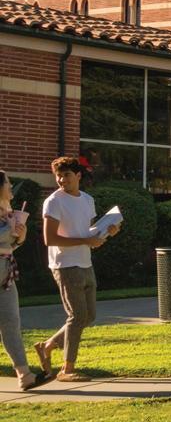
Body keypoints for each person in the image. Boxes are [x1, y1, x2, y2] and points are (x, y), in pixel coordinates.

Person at [35, 156, 120, 383]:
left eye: (67, 175)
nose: (62, 180)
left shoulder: (87, 200)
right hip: (65, 265)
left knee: (89, 316)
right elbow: (49, 238)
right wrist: (86, 240)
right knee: (77, 316)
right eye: (59, 176)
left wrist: (105, 232)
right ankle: (67, 369)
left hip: (85, 262)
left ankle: (48, 346)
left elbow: (86, 232)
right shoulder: (53, 201)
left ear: (78, 176)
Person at [1, 170, 52, 390]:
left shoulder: (7, 214)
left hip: (6, 274)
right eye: (8, 183)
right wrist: (9, 230)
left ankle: (25, 375)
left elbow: (9, 247)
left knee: (11, 323)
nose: (11, 187)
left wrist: (19, 237)